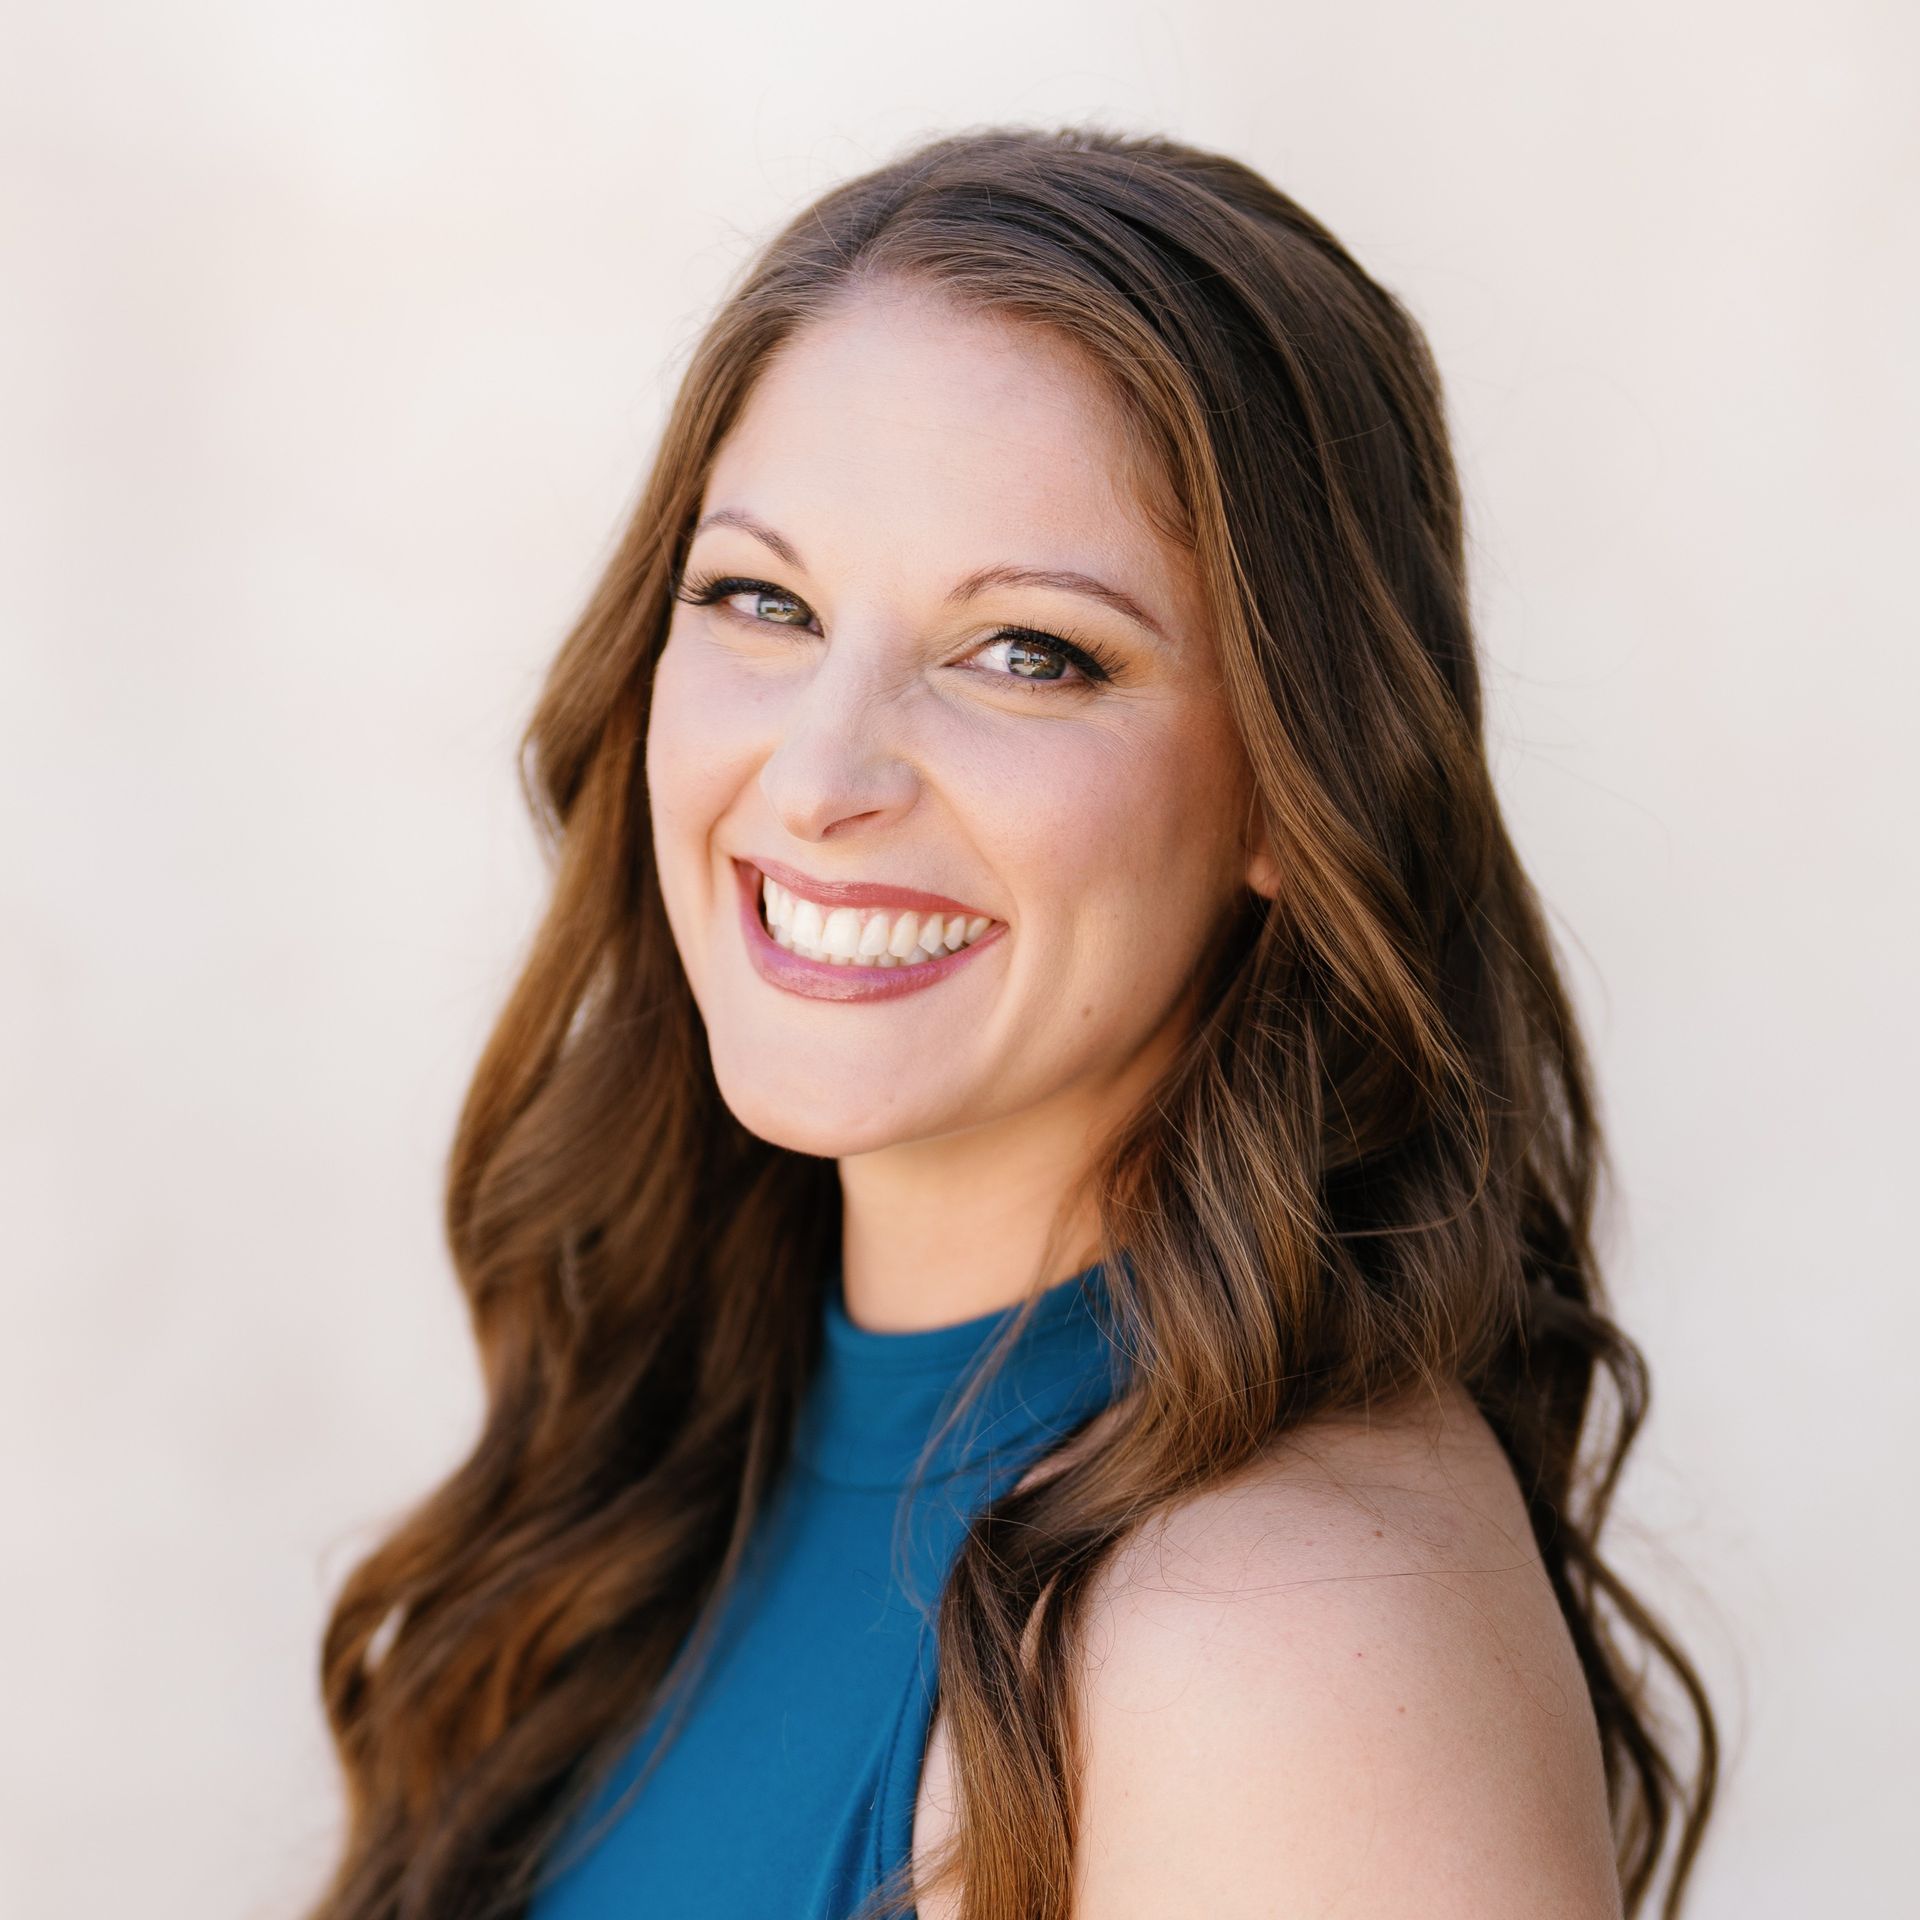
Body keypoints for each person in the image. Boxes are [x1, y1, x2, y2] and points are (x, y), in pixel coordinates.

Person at [303, 124, 1719, 1920]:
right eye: (763, 600)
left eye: (1029, 652)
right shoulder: (686, 1432)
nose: (818, 780)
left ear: (1299, 789)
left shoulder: (1280, 1650)